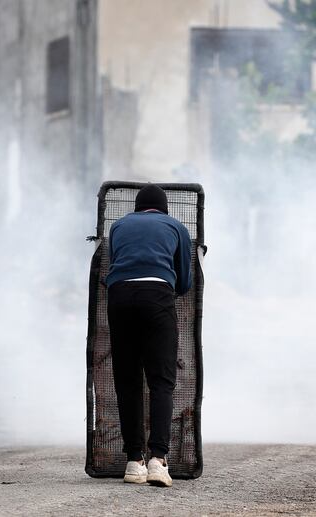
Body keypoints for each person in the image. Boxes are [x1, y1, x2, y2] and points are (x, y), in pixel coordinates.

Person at [106, 184, 192, 488]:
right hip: (158, 296)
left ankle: (133, 462)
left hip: (119, 298)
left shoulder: (118, 226)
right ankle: (158, 460)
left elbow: (112, 265)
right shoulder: (176, 226)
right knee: (161, 381)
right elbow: (184, 281)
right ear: (163, 209)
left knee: (128, 380)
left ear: (137, 208)